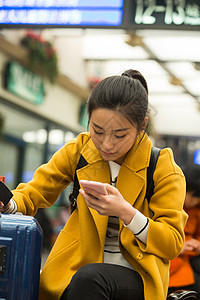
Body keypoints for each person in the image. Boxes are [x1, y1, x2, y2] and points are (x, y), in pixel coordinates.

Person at [0, 69, 187, 300]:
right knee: (72, 282)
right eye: (97, 131)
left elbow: (172, 243)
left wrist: (126, 212)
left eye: (119, 135)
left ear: (142, 126)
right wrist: (7, 205)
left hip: (136, 273)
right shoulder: (79, 151)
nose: (106, 144)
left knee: (90, 279)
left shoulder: (162, 167)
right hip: (79, 265)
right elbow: (34, 192)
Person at [168, 163, 200, 298]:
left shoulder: (197, 210)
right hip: (172, 256)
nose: (193, 201)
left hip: (188, 257)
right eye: (192, 195)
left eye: (197, 197)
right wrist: (179, 247)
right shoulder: (169, 203)